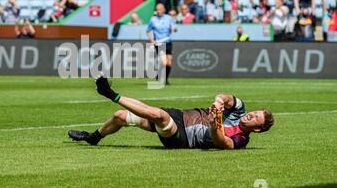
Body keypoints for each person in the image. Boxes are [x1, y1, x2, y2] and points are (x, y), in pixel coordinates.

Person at [68, 76, 275, 150]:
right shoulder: (240, 110)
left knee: (160, 116)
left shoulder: (241, 139)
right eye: (255, 112)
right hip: (182, 115)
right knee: (120, 117)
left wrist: (215, 123)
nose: (252, 115)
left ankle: (110, 93)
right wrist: (219, 101)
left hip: (183, 138)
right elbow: (226, 96)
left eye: (256, 118)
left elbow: (223, 143)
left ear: (257, 129)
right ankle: (94, 138)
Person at [146, 3, 177, 85]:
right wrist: (152, 40)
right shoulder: (153, 20)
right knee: (164, 62)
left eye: (160, 9)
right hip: (159, 43)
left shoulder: (169, 18)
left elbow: (174, 27)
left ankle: (165, 79)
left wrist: (174, 29)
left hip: (168, 42)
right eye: (157, 9)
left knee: (169, 62)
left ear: (164, 9)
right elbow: (148, 30)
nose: (159, 11)